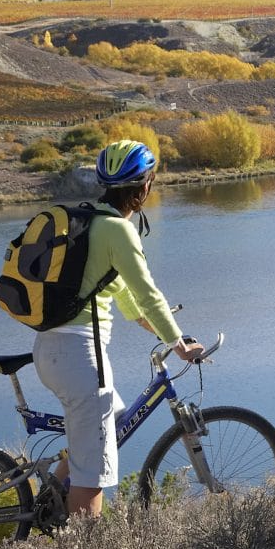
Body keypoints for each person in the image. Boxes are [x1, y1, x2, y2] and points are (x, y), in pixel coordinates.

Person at [33, 140, 203, 517]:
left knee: (106, 426)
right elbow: (150, 294)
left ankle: (48, 505)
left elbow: (125, 297)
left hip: (50, 350)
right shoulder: (118, 231)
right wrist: (178, 344)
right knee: (92, 475)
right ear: (144, 187)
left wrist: (162, 332)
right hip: (80, 358)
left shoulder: (90, 220)